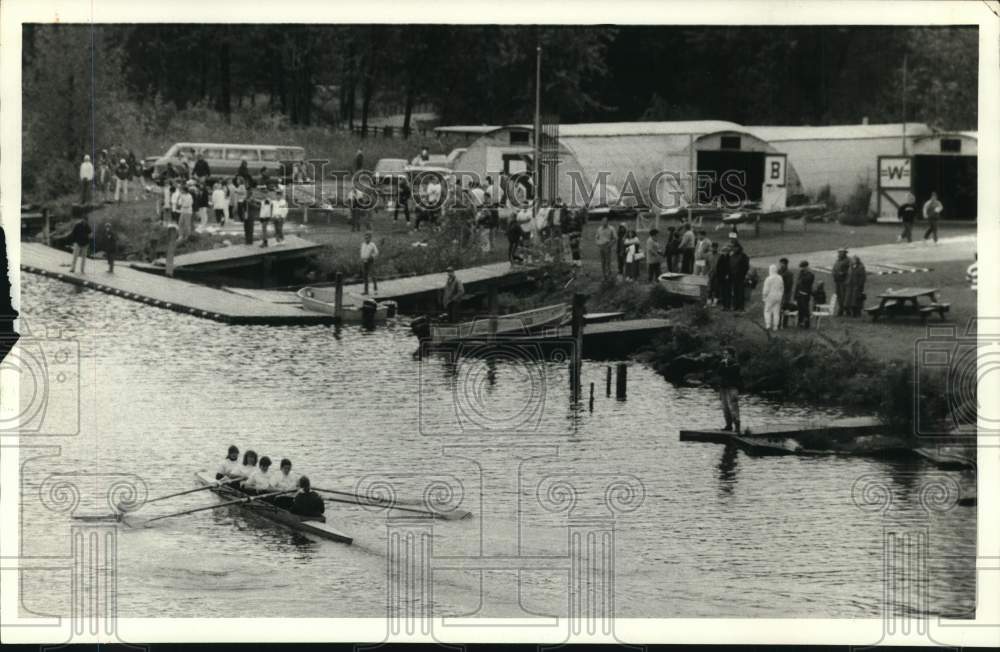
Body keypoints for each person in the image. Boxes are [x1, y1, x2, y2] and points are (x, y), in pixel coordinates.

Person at [716, 346, 742, 433]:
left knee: (733, 407)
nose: (724, 356)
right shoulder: (722, 363)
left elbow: (729, 372)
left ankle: (737, 426)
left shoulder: (736, 364)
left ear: (731, 355)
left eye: (726, 354)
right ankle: (728, 425)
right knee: (725, 407)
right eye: (724, 354)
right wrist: (723, 364)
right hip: (723, 388)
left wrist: (725, 365)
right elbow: (719, 372)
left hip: (732, 388)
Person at [728, 242, 750, 311]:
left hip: (740, 276)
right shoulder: (732, 256)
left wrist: (743, 275)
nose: (734, 249)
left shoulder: (743, 256)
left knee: (740, 291)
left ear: (739, 248)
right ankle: (735, 306)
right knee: (735, 291)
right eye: (733, 247)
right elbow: (729, 266)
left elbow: (746, 267)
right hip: (733, 276)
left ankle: (741, 307)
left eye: (736, 247)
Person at [762, 264, 784, 331]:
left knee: (767, 311)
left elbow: (766, 289)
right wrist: (781, 295)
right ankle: (775, 326)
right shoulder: (780, 278)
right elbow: (782, 288)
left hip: (770, 296)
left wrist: (764, 296)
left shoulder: (768, 279)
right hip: (778, 296)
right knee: (776, 312)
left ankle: (768, 325)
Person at [794, 260, 815, 328]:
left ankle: (806, 323)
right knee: (800, 309)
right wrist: (795, 295)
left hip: (805, 294)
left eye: (803, 267)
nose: (801, 269)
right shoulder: (801, 274)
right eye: (801, 267)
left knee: (805, 309)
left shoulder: (810, 274)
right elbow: (798, 284)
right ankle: (800, 322)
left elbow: (806, 282)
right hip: (799, 294)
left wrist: (803, 275)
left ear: (806, 267)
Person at [832, 247, 850, 315]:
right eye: (839, 252)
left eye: (841, 252)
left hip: (843, 281)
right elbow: (835, 268)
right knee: (838, 295)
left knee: (844, 296)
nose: (839, 254)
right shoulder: (838, 260)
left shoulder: (847, 261)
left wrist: (843, 273)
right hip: (837, 280)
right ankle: (841, 308)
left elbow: (849, 271)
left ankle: (846, 309)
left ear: (845, 253)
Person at [360, 231, 379, 295]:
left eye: (368, 238)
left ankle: (375, 290)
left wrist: (372, 257)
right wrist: (362, 258)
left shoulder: (372, 244)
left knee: (373, 275)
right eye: (365, 237)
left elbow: (376, 252)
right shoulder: (363, 244)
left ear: (370, 238)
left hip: (370, 261)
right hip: (364, 261)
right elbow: (362, 252)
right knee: (365, 276)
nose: (366, 239)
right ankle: (366, 291)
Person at [715, 244, 732, 309]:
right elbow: (718, 268)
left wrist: (728, 275)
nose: (724, 252)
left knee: (728, 291)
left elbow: (729, 268)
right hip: (721, 278)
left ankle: (728, 305)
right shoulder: (721, 258)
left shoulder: (729, 258)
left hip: (728, 278)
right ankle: (724, 305)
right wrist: (719, 276)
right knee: (723, 292)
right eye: (723, 251)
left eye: (726, 251)